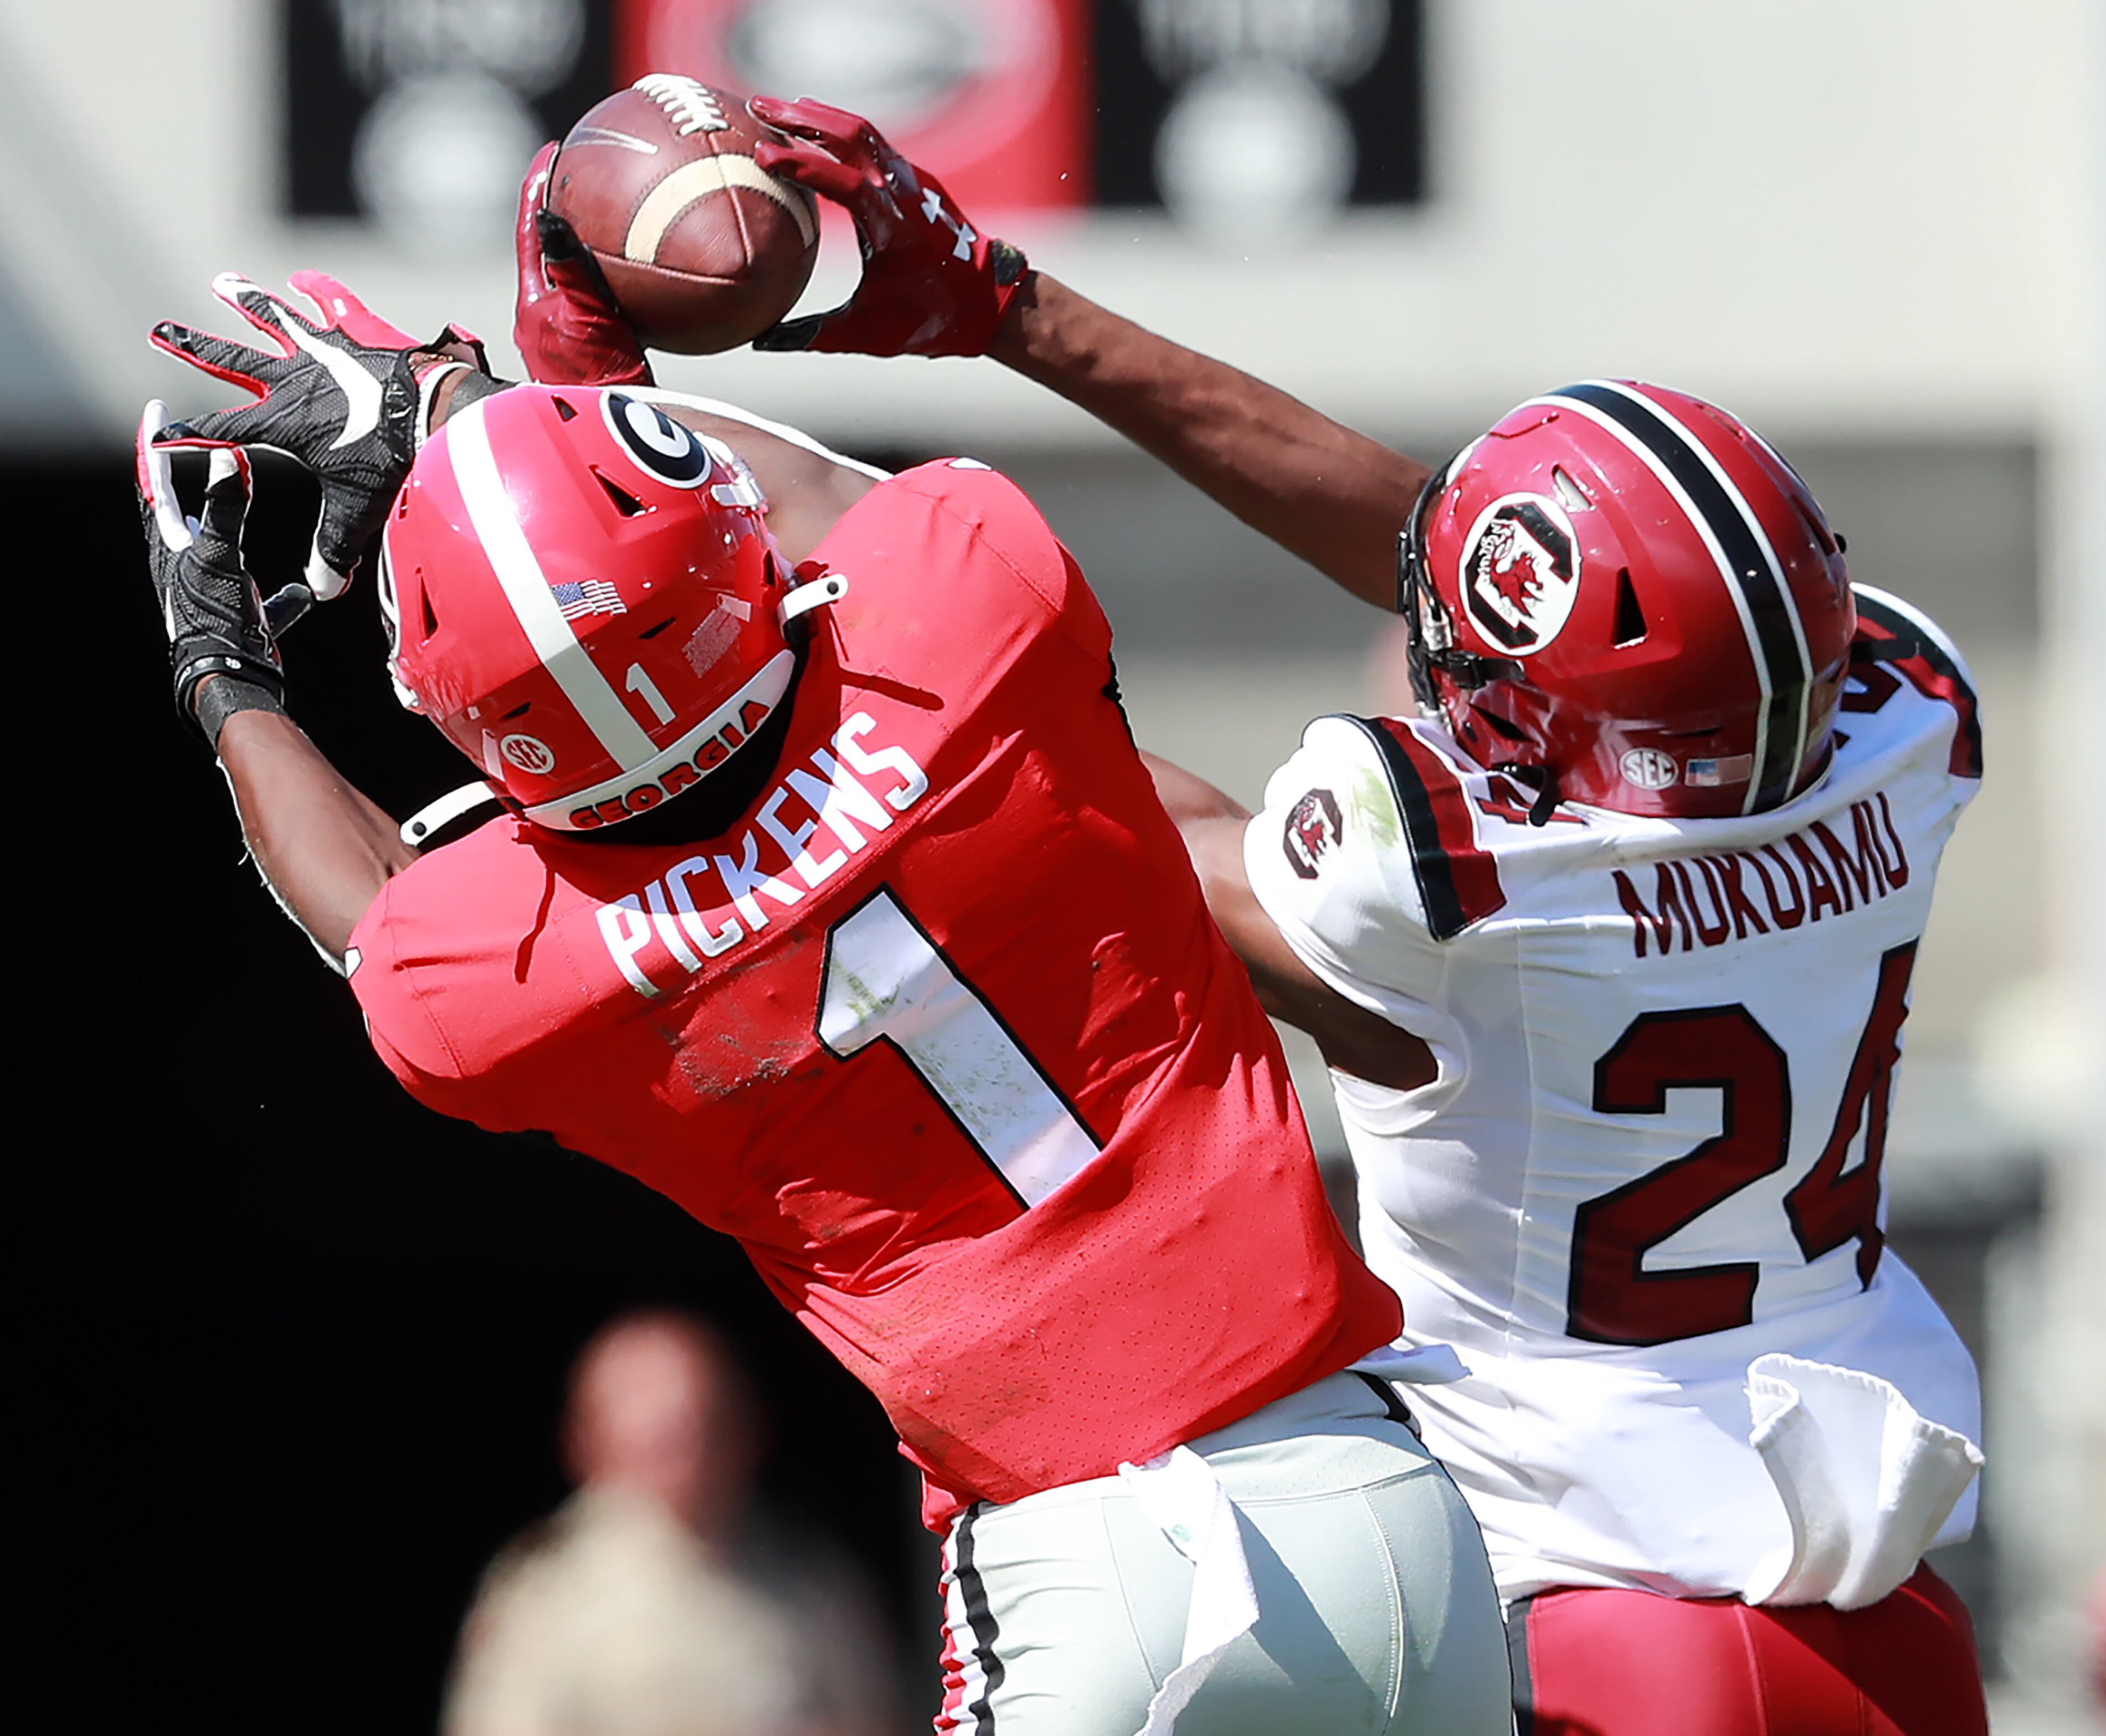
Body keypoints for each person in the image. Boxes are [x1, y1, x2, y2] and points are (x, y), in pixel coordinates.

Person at [133, 156, 1510, 1736]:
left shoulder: (507, 983)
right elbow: (800, 509)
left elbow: (365, 900)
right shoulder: (965, 614)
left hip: (1076, 1561)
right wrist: (461, 406)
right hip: (1373, 1494)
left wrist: (220, 658)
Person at [706, 95, 1995, 1736]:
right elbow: (1445, 565)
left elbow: (1047, 783)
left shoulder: (1454, 884)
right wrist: (1004, 312)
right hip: (1881, 1613)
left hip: (1573, 1620)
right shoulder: (1900, 736)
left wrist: (610, 501)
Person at [444, 1310, 895, 1736]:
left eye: (705, 1426)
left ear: (750, 1432)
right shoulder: (541, 1590)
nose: (689, 1456)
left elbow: (880, 1716)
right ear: (587, 1443)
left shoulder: (817, 1578)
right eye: (658, 1436)